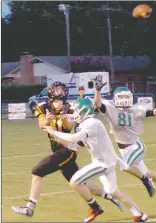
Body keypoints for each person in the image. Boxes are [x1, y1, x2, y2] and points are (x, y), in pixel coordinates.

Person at [12, 82, 123, 217]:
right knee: (80, 182)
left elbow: (68, 126)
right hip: (58, 149)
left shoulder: (70, 107)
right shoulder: (44, 106)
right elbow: (41, 125)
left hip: (66, 150)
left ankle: (30, 208)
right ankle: (107, 199)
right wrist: (47, 120)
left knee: (37, 172)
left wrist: (63, 119)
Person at [43, 97, 148, 222]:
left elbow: (75, 138)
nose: (73, 113)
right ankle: (139, 214)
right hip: (106, 161)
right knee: (113, 190)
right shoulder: (84, 124)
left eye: (76, 111)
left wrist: (54, 132)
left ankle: (95, 208)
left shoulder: (92, 123)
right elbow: (77, 144)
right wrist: (58, 139)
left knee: (75, 182)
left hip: (102, 163)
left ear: (84, 111)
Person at [94, 76, 156, 202]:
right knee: (145, 172)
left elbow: (151, 112)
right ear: (115, 98)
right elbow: (98, 104)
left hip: (135, 146)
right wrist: (97, 91)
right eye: (121, 97)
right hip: (124, 149)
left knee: (124, 166)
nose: (124, 99)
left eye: (127, 97)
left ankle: (145, 181)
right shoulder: (110, 107)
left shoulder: (137, 108)